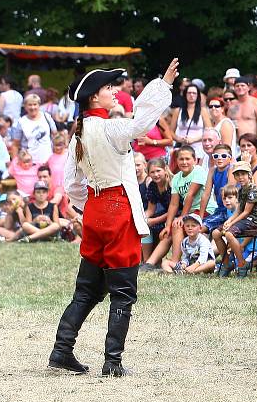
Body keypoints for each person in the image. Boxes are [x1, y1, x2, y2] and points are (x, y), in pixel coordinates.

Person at [49, 59, 177, 377]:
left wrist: (90, 204)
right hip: (118, 210)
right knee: (122, 291)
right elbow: (142, 123)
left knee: (86, 290)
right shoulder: (111, 128)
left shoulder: (79, 134)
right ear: (94, 97)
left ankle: (62, 351)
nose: (115, 91)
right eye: (109, 87)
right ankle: (113, 362)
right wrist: (163, 85)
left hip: (94, 210)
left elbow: (71, 185)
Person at [142, 145, 218, 271]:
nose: (184, 162)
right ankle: (152, 263)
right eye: (181, 159)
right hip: (189, 212)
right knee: (173, 228)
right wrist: (167, 225)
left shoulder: (198, 171)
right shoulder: (177, 178)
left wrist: (182, 216)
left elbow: (190, 195)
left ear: (195, 160)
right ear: (176, 161)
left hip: (204, 211)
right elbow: (173, 204)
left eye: (187, 159)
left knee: (179, 223)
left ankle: (175, 261)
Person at [218, 162, 257, 275]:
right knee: (216, 233)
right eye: (237, 175)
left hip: (253, 220)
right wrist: (228, 221)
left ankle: (242, 264)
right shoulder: (241, 190)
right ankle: (227, 264)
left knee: (229, 234)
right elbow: (239, 210)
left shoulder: (253, 190)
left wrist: (231, 224)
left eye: (243, 174)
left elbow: (246, 212)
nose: (240, 177)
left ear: (249, 175)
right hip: (243, 219)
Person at [11, 93, 58, 165]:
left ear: (39, 105)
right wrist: (14, 163)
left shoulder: (47, 117)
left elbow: (55, 136)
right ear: (25, 107)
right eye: (30, 105)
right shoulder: (21, 122)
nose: (33, 107)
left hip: (48, 161)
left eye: (35, 104)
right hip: (29, 163)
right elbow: (15, 145)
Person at [198, 143, 234, 235]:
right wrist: (200, 217)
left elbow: (231, 191)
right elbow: (206, 194)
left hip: (231, 210)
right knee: (197, 224)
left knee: (199, 229)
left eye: (224, 156)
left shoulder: (231, 169)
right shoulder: (212, 170)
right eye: (216, 156)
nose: (219, 158)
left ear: (230, 159)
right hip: (220, 210)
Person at [143, 157, 172, 261]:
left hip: (178, 213)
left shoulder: (171, 184)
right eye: (152, 172)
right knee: (144, 224)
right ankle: (146, 261)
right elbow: (150, 210)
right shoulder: (152, 185)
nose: (156, 174)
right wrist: (142, 219)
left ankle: (153, 260)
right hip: (166, 213)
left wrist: (154, 220)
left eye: (158, 171)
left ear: (165, 169)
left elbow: (175, 209)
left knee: (155, 224)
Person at [170, 84, 210, 157]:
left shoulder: (203, 111)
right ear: (185, 94)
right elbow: (171, 131)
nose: (191, 95)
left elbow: (209, 131)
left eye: (194, 93)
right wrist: (179, 139)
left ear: (198, 95)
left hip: (198, 148)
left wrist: (194, 140)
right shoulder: (178, 111)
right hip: (182, 147)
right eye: (189, 93)